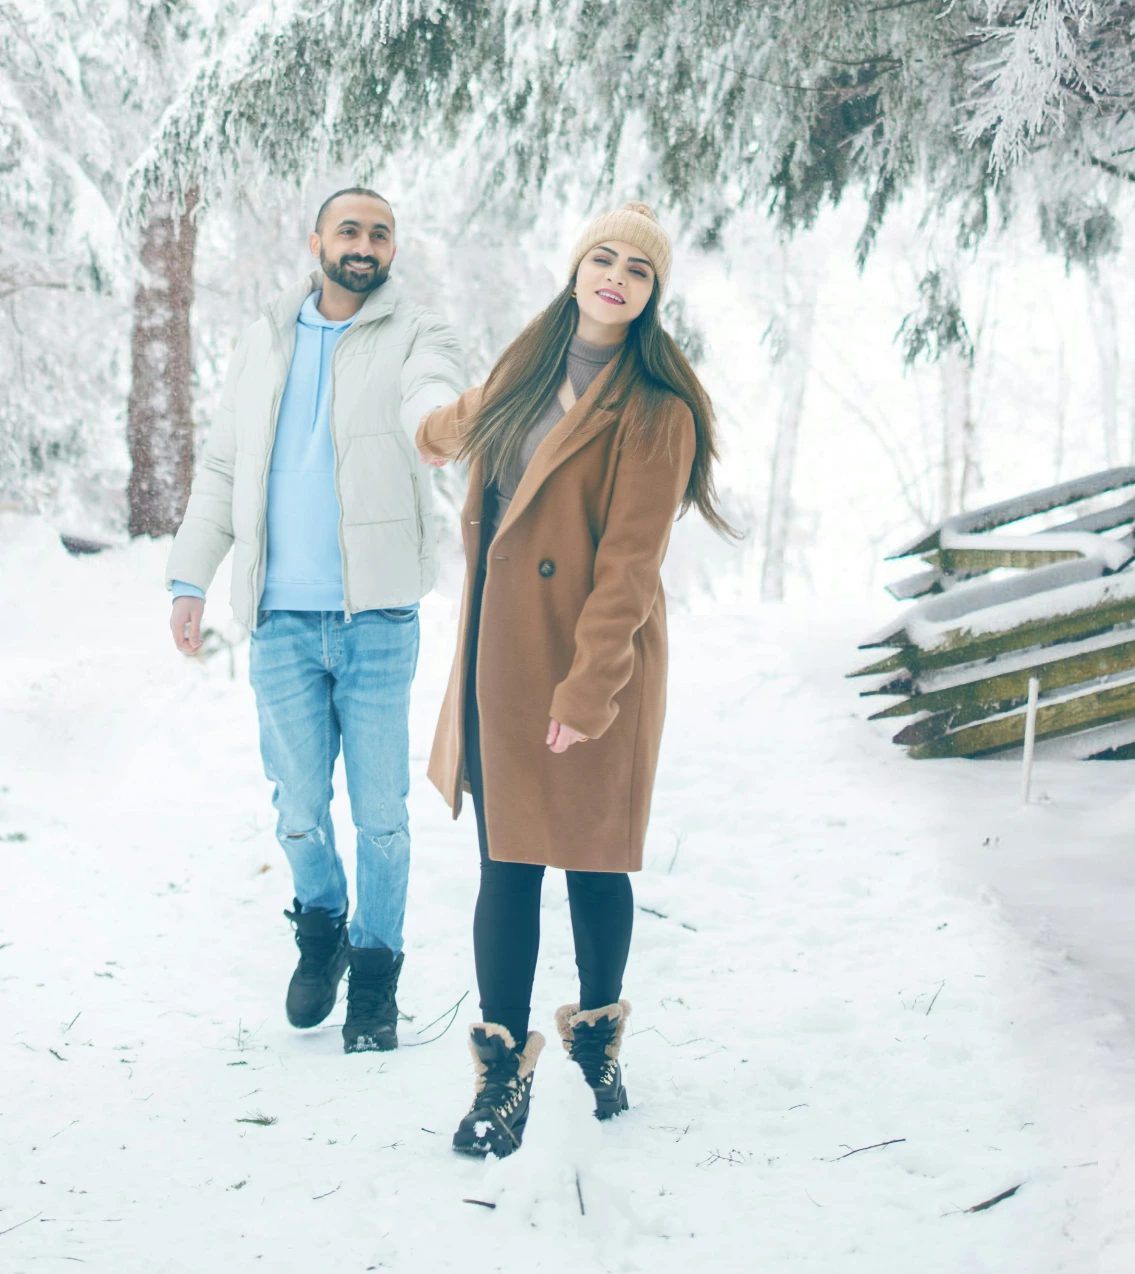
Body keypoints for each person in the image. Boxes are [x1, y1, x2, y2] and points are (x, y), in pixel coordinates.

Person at [418, 201, 725, 1158]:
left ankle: (596, 1040)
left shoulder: (658, 412)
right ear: (576, 268)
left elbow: (630, 564)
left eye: (638, 269)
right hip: (503, 650)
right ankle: (499, 1079)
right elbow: (443, 435)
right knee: (507, 859)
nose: (616, 277)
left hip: (600, 652)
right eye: (603, 257)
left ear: (650, 296)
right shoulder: (523, 369)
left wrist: (588, 690)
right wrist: (431, 413)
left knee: (592, 858)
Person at [167, 189, 464, 1051]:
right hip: (280, 620)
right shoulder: (264, 341)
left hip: (375, 617)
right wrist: (191, 575)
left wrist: (439, 425)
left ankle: (374, 976)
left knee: (381, 814)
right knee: (297, 808)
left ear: (392, 248)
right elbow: (224, 463)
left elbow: (431, 394)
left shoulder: (416, 333)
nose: (364, 244)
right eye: (350, 229)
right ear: (317, 242)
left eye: (379, 232)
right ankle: (323, 924)